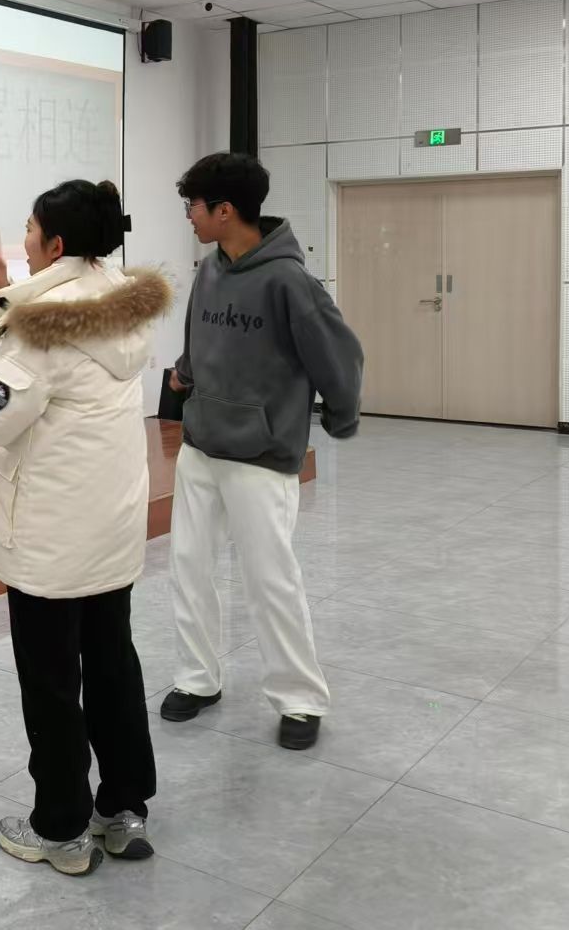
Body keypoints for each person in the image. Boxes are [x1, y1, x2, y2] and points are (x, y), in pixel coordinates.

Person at [0, 180, 172, 877]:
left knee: (52, 683)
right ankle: (123, 810)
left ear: (55, 245)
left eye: (30, 229)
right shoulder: (123, 300)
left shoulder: (42, 328)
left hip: (51, 538)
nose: (23, 238)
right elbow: (60, 353)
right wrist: (4, 294)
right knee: (113, 667)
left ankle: (60, 829)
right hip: (112, 526)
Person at [162, 152, 363, 751]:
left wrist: (341, 416)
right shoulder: (208, 270)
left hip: (262, 456)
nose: (189, 216)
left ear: (225, 210)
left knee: (270, 578)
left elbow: (341, 357)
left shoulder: (289, 282)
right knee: (188, 566)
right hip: (201, 445)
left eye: (194, 206)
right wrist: (184, 376)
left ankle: (300, 700)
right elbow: (198, 340)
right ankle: (197, 678)